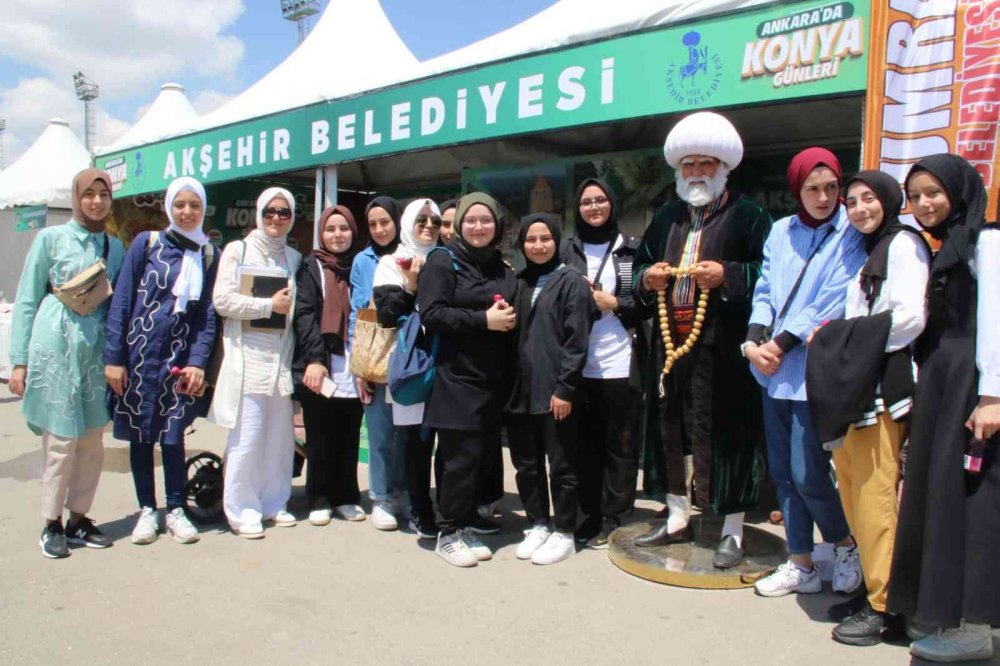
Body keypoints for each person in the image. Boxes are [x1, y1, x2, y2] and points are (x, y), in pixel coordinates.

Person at [632, 112, 771, 569]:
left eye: (706, 164)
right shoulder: (667, 216)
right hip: (671, 345)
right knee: (671, 428)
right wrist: (648, 277)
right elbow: (638, 270)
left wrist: (729, 274)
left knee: (727, 434)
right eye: (688, 165)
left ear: (723, 168)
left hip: (725, 345)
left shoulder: (749, 216)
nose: (696, 173)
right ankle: (675, 517)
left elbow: (769, 276)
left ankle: (730, 529)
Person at [802, 170, 930, 645]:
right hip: (854, 389)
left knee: (876, 499)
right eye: (852, 202)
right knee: (853, 492)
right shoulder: (868, 249)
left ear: (890, 201)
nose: (859, 209)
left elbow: (912, 317)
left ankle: (886, 606)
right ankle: (872, 590)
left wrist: (846, 342)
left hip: (879, 390)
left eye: (868, 199)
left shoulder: (902, 245)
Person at [887, 155, 1000, 663]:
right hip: (941, 381)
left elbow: (995, 319)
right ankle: (948, 614)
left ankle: (972, 626)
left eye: (933, 192)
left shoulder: (986, 242)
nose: (924, 204)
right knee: (941, 496)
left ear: (958, 190)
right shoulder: (946, 245)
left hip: (970, 385)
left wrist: (993, 395)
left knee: (971, 504)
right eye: (915, 196)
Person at [746, 148, 867, 597]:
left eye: (832, 188)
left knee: (809, 472)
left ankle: (843, 544)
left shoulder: (849, 235)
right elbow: (765, 286)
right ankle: (800, 563)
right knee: (781, 471)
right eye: (812, 189)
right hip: (771, 372)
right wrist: (754, 340)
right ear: (797, 189)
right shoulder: (780, 231)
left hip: (811, 371)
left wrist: (777, 344)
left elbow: (832, 300)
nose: (823, 197)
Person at [9, 168, 126, 558]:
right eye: (89, 194)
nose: (96, 201)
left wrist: (118, 358)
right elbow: (27, 298)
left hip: (95, 351)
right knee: (60, 439)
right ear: (76, 197)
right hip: (55, 345)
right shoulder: (50, 238)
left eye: (103, 194)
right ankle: (51, 523)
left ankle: (79, 517)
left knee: (92, 439)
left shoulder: (115, 247)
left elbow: (120, 306)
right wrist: (19, 361)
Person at [104, 176, 219, 545]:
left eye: (195, 206)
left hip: (180, 361)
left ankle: (176, 509)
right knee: (141, 436)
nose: (187, 212)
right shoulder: (147, 243)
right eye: (180, 205)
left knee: (172, 437)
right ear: (170, 206)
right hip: (139, 358)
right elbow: (122, 301)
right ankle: (146, 510)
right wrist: (114, 358)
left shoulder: (207, 253)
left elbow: (207, 315)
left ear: (203, 210)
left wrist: (199, 361)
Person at [418, 193, 516, 567]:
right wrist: (483, 321)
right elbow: (433, 313)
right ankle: (449, 531)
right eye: (471, 220)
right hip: (456, 377)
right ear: (459, 225)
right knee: (458, 459)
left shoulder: (497, 265)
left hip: (492, 378)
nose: (479, 226)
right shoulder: (443, 261)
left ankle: (467, 520)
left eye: (486, 220)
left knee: (480, 456)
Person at [209, 187, 301, 538]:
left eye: (284, 212)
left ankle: (274, 502)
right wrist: (266, 307)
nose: (276, 218)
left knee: (279, 439)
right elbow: (222, 300)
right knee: (246, 437)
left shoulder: (292, 257)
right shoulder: (238, 250)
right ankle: (241, 508)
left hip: (281, 359)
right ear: (259, 214)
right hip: (248, 358)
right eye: (269, 212)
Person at [561, 177, 647, 549]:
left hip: (620, 361)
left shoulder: (631, 250)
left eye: (600, 200)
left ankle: (616, 515)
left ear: (611, 203)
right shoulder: (567, 250)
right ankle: (588, 514)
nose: (593, 207)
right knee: (584, 444)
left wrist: (613, 304)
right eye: (586, 202)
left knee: (621, 445)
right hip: (579, 362)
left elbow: (643, 303)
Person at [505, 213, 593, 565]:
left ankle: (565, 531)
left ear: (557, 240)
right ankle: (538, 523)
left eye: (545, 238)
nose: (538, 245)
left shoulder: (571, 280)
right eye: (530, 239)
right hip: (520, 392)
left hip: (555, 390)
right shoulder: (519, 280)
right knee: (526, 464)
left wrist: (566, 388)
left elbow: (577, 340)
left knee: (562, 466)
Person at [372, 198, 442, 538]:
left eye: (435, 221)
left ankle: (447, 505)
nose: (429, 226)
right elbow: (387, 316)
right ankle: (419, 508)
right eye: (422, 220)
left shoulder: (448, 258)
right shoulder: (391, 263)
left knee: (447, 438)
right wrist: (412, 285)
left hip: (447, 361)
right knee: (416, 441)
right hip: (414, 362)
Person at [293, 204, 364, 527]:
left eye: (344, 228)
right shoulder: (312, 267)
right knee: (320, 433)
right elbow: (305, 314)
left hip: (353, 361)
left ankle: (346, 495)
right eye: (331, 229)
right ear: (321, 233)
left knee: (349, 432)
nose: (338, 235)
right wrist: (315, 359)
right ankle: (319, 497)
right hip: (321, 361)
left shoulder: (360, 265)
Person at [350, 196, 407, 530]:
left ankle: (405, 492)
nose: (380, 229)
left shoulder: (412, 252)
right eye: (373, 224)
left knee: (409, 433)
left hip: (410, 353)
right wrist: (360, 368)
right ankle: (382, 496)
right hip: (375, 354)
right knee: (381, 431)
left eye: (385, 221)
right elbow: (360, 312)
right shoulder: (363, 260)